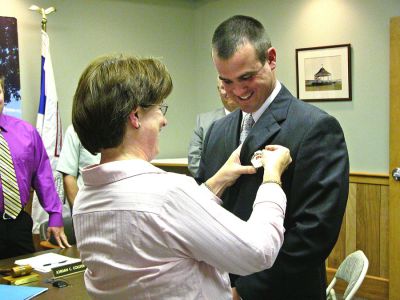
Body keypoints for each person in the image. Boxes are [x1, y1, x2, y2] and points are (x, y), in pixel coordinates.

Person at [71, 54, 292, 299]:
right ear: (135, 116)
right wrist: (272, 179)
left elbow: (167, 231)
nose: (163, 120)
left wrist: (217, 181)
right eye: (158, 109)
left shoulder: (85, 200)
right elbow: (259, 252)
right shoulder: (167, 193)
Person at [196, 15, 349, 299]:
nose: (237, 91)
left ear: (272, 59)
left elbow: (314, 233)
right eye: (226, 81)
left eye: (246, 77)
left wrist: (243, 290)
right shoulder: (217, 131)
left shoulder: (315, 128)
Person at [0, 76, 70, 259]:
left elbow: (43, 176)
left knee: (28, 281)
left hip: (17, 225)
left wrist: (55, 215)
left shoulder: (26, 132)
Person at [188, 79, 238, 176]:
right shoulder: (203, 121)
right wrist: (215, 182)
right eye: (223, 87)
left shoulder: (253, 118)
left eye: (231, 85)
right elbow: (194, 160)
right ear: (218, 91)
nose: (228, 91)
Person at [56, 124, 100, 208]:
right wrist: (79, 212)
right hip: (86, 208)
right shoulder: (75, 130)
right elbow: (69, 176)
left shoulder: (124, 127)